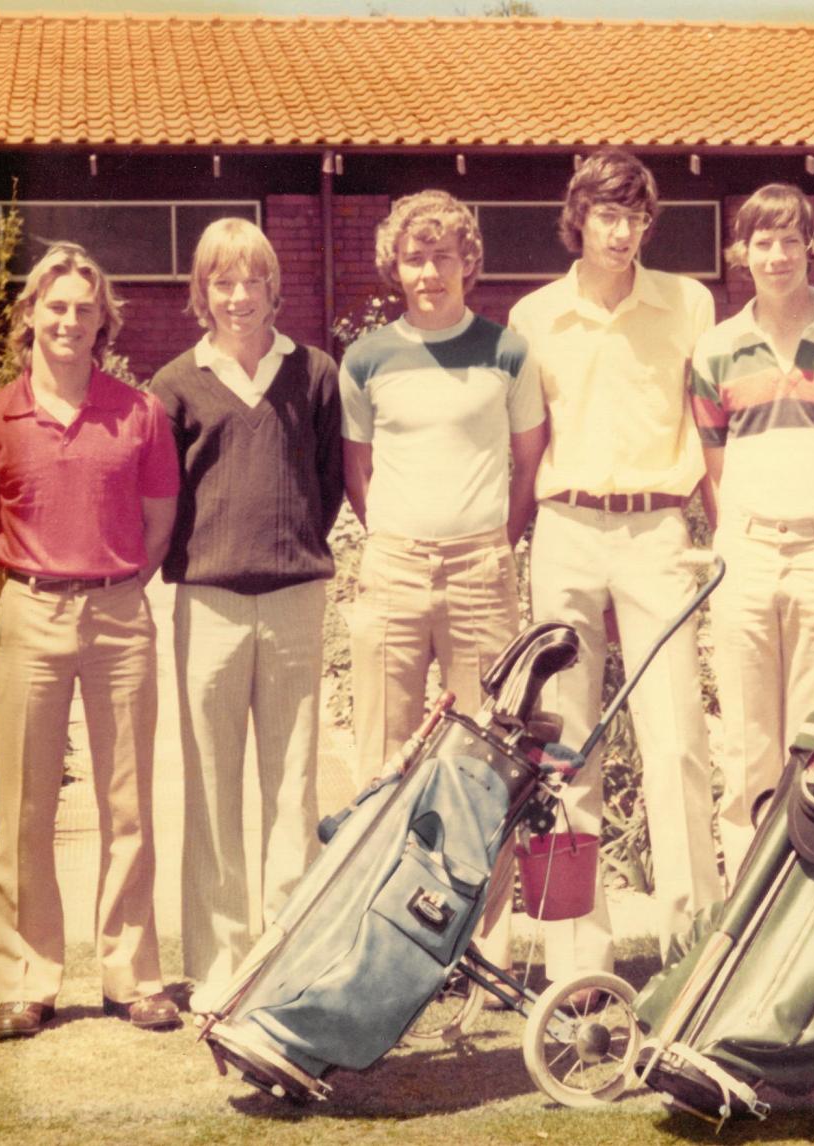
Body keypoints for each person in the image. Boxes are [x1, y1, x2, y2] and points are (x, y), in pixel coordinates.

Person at [0, 243, 182, 1040]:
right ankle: (27, 980)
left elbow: (158, 524)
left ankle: (132, 976)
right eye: (56, 306)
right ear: (30, 315)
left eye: (85, 308)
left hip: (120, 613)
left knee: (129, 805)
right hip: (30, 612)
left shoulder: (140, 413)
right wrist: (28, 598)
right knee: (26, 808)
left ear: (103, 321)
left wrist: (110, 588)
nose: (70, 321)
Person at [508, 150, 722, 986]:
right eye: (606, 214)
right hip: (565, 529)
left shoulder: (688, 304)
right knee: (566, 750)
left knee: (677, 740)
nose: (621, 231)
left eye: (634, 216)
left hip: (656, 530)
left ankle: (695, 949)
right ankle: (576, 965)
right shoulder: (534, 316)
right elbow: (526, 443)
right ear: (579, 218)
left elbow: (709, 427)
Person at [340, 191, 545, 981]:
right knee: (383, 757)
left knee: (485, 763)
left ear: (468, 263)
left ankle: (483, 949)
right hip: (394, 569)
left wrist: (491, 543)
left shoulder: (508, 353)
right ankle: (373, 942)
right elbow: (360, 473)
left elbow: (527, 465)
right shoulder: (367, 358)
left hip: (480, 570)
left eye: (443, 257)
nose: (429, 273)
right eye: (415, 259)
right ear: (396, 268)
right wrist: (400, 540)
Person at [149, 218, 344, 1011]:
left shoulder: (315, 373)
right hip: (209, 602)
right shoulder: (175, 385)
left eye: (251, 280)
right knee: (211, 783)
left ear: (273, 287)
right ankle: (220, 962)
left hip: (294, 596)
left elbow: (327, 483)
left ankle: (287, 954)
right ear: (202, 293)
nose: (238, 296)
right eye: (222, 282)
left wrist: (289, 545)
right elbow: (167, 496)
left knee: (293, 784)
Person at [689, 184, 814, 875]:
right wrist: (741, 539)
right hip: (744, 555)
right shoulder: (716, 348)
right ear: (741, 252)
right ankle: (745, 905)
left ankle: (807, 894)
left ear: (812, 247)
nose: (777, 256)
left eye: (790, 241)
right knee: (747, 746)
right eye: (763, 243)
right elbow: (714, 469)